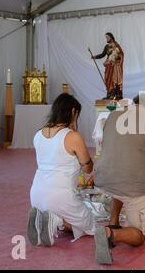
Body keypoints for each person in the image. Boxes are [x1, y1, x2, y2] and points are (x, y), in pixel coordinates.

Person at [93, 92, 145, 264]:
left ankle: (113, 221)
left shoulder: (112, 115)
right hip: (131, 183)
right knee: (139, 236)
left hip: (103, 177)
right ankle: (111, 234)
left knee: (120, 184)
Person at [27, 93, 95, 247]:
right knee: (90, 223)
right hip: (60, 196)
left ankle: (44, 220)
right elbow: (88, 168)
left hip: (36, 195)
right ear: (72, 112)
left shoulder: (38, 134)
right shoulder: (72, 136)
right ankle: (56, 221)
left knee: (63, 213)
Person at [92, 32, 124, 100]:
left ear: (111, 37)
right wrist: (95, 57)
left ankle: (115, 94)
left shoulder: (116, 45)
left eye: (107, 37)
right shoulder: (107, 46)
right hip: (108, 66)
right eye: (106, 37)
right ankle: (109, 94)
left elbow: (121, 54)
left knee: (114, 80)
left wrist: (116, 57)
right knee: (107, 79)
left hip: (114, 66)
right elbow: (103, 54)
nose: (106, 39)